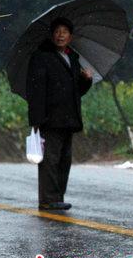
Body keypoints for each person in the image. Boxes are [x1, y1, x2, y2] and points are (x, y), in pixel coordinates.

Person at [26, 17, 93, 211]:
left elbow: (76, 91)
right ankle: (47, 199)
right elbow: (36, 91)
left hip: (69, 119)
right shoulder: (41, 57)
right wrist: (37, 120)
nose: (60, 35)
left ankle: (57, 197)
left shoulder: (72, 58)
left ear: (70, 36)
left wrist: (86, 80)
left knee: (64, 161)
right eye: (57, 31)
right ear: (52, 35)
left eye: (64, 32)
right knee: (50, 161)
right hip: (49, 119)